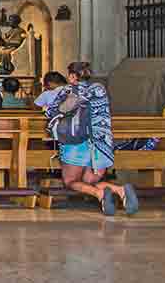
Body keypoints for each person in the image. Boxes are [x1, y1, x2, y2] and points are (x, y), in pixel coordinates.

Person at [45, 61, 138, 216]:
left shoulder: (69, 91)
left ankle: (100, 195)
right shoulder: (99, 89)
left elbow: (56, 111)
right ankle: (120, 190)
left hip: (76, 142)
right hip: (101, 144)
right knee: (90, 182)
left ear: (73, 76)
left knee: (71, 181)